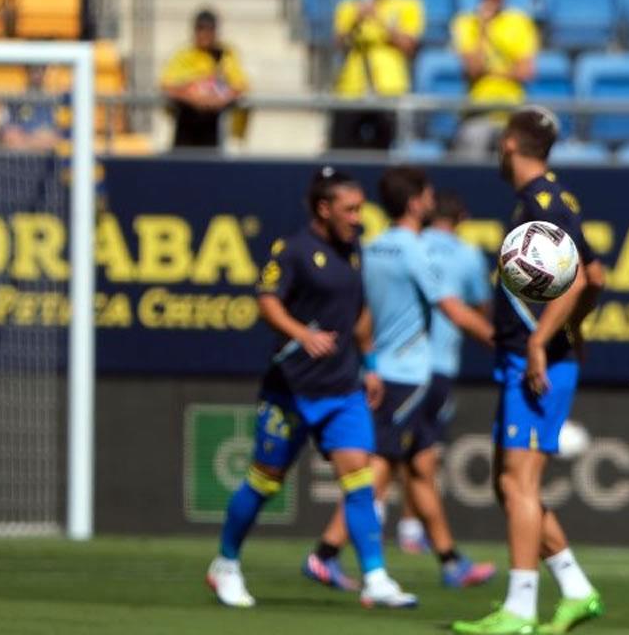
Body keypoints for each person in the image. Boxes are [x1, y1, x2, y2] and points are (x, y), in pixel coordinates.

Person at [206, 167, 416, 610]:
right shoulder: (295, 250)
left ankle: (375, 576)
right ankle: (225, 564)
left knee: (360, 479)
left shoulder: (353, 248)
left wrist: (372, 365)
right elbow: (266, 301)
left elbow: (358, 314)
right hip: (292, 390)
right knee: (265, 481)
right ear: (325, 209)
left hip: (343, 389)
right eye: (351, 209)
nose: (359, 218)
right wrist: (301, 333)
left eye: (361, 209)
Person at [452, 106, 606, 635]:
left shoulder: (544, 202)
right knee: (507, 482)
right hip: (530, 356)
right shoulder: (545, 198)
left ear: (510, 144)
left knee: (519, 482)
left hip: (536, 361)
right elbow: (598, 274)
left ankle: (520, 607)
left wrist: (544, 340)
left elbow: (584, 277)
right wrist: (573, 330)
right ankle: (577, 590)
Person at [308, 167, 498, 590]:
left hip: (381, 367)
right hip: (410, 373)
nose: (431, 199)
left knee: (420, 468)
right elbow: (451, 306)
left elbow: (363, 313)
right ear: (416, 202)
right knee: (383, 465)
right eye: (427, 193)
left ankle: (451, 561)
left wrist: (371, 360)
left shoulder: (373, 247)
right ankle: (325, 552)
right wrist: (500, 341)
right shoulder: (416, 250)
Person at [396, 189, 495, 553]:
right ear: (461, 218)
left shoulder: (411, 246)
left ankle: (382, 530)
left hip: (400, 362)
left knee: (391, 450)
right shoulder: (468, 255)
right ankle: (406, 529)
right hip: (439, 364)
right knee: (424, 451)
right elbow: (481, 308)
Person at [330, 0, 424, 151]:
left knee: (386, 148)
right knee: (343, 147)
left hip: (389, 87)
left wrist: (378, 19)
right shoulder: (349, 6)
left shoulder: (408, 4)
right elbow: (338, 44)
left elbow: (409, 46)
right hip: (352, 88)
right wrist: (355, 20)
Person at [450, 0, 538, 156]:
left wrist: (491, 72)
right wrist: (483, 29)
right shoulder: (466, 23)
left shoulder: (520, 22)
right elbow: (474, 69)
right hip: (479, 112)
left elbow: (526, 71)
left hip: (511, 112)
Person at [160, 9, 249, 149]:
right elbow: (167, 85)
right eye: (201, 29)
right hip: (187, 121)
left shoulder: (226, 54)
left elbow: (240, 86)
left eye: (210, 29)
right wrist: (194, 98)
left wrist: (218, 100)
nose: (205, 34)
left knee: (210, 166)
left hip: (213, 124)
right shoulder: (184, 55)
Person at [0, 65, 60, 151]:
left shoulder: (54, 100)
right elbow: (8, 135)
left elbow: (52, 138)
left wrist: (27, 141)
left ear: (45, 71)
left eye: (40, 69)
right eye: (33, 70)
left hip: (45, 159)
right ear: (26, 71)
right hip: (18, 157)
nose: (36, 74)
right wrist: (34, 141)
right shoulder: (14, 100)